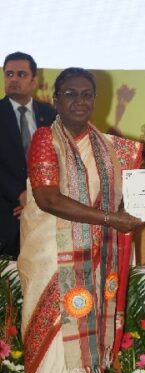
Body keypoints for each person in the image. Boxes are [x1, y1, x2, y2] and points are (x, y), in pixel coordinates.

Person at [19, 67, 143, 373]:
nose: (78, 101)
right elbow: (48, 198)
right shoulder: (43, 140)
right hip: (52, 262)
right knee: (54, 351)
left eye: (86, 94)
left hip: (92, 262)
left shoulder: (109, 149)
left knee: (84, 352)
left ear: (95, 100)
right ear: (54, 99)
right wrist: (109, 219)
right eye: (69, 94)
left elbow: (137, 194)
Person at [0, 52, 56, 258]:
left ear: (34, 81)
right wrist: (20, 195)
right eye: (9, 74)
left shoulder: (51, 115)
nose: (13, 79)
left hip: (45, 212)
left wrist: (34, 198)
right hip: (6, 214)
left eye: (21, 74)